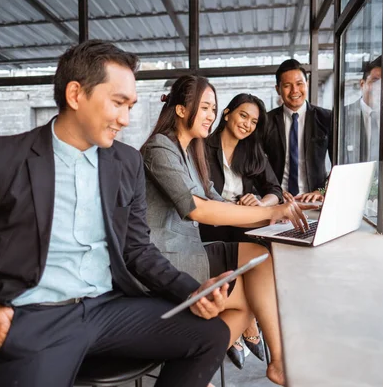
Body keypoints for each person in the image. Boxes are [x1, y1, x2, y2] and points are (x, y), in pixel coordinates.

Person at [0, 41, 233, 387]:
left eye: (131, 106)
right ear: (75, 94)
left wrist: (192, 292)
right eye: (118, 103)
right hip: (37, 317)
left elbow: (137, 249)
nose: (126, 120)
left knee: (211, 333)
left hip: (108, 309)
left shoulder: (126, 163)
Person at [140, 75, 313, 386]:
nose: (211, 116)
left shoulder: (193, 152)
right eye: (205, 108)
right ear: (181, 110)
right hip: (164, 257)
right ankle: (198, 366)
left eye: (213, 108)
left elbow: (219, 204)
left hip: (190, 249)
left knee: (263, 259)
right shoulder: (159, 148)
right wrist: (272, 210)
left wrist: (275, 217)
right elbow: (197, 208)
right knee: (251, 297)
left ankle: (266, 361)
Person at [200, 93, 282, 367]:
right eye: (243, 115)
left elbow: (274, 190)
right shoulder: (201, 147)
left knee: (260, 242)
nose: (247, 124)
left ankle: (245, 320)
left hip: (240, 225)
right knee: (246, 240)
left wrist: (260, 202)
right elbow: (201, 201)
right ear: (227, 114)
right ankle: (248, 323)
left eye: (254, 121)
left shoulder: (252, 151)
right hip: (208, 227)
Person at [263, 59, 333, 203]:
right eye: (287, 85)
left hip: (314, 199)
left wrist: (321, 191)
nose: (294, 90)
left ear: (307, 84)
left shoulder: (327, 118)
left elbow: (340, 165)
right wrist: (272, 193)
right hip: (277, 200)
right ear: (278, 89)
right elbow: (256, 164)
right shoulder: (266, 121)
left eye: (299, 84)